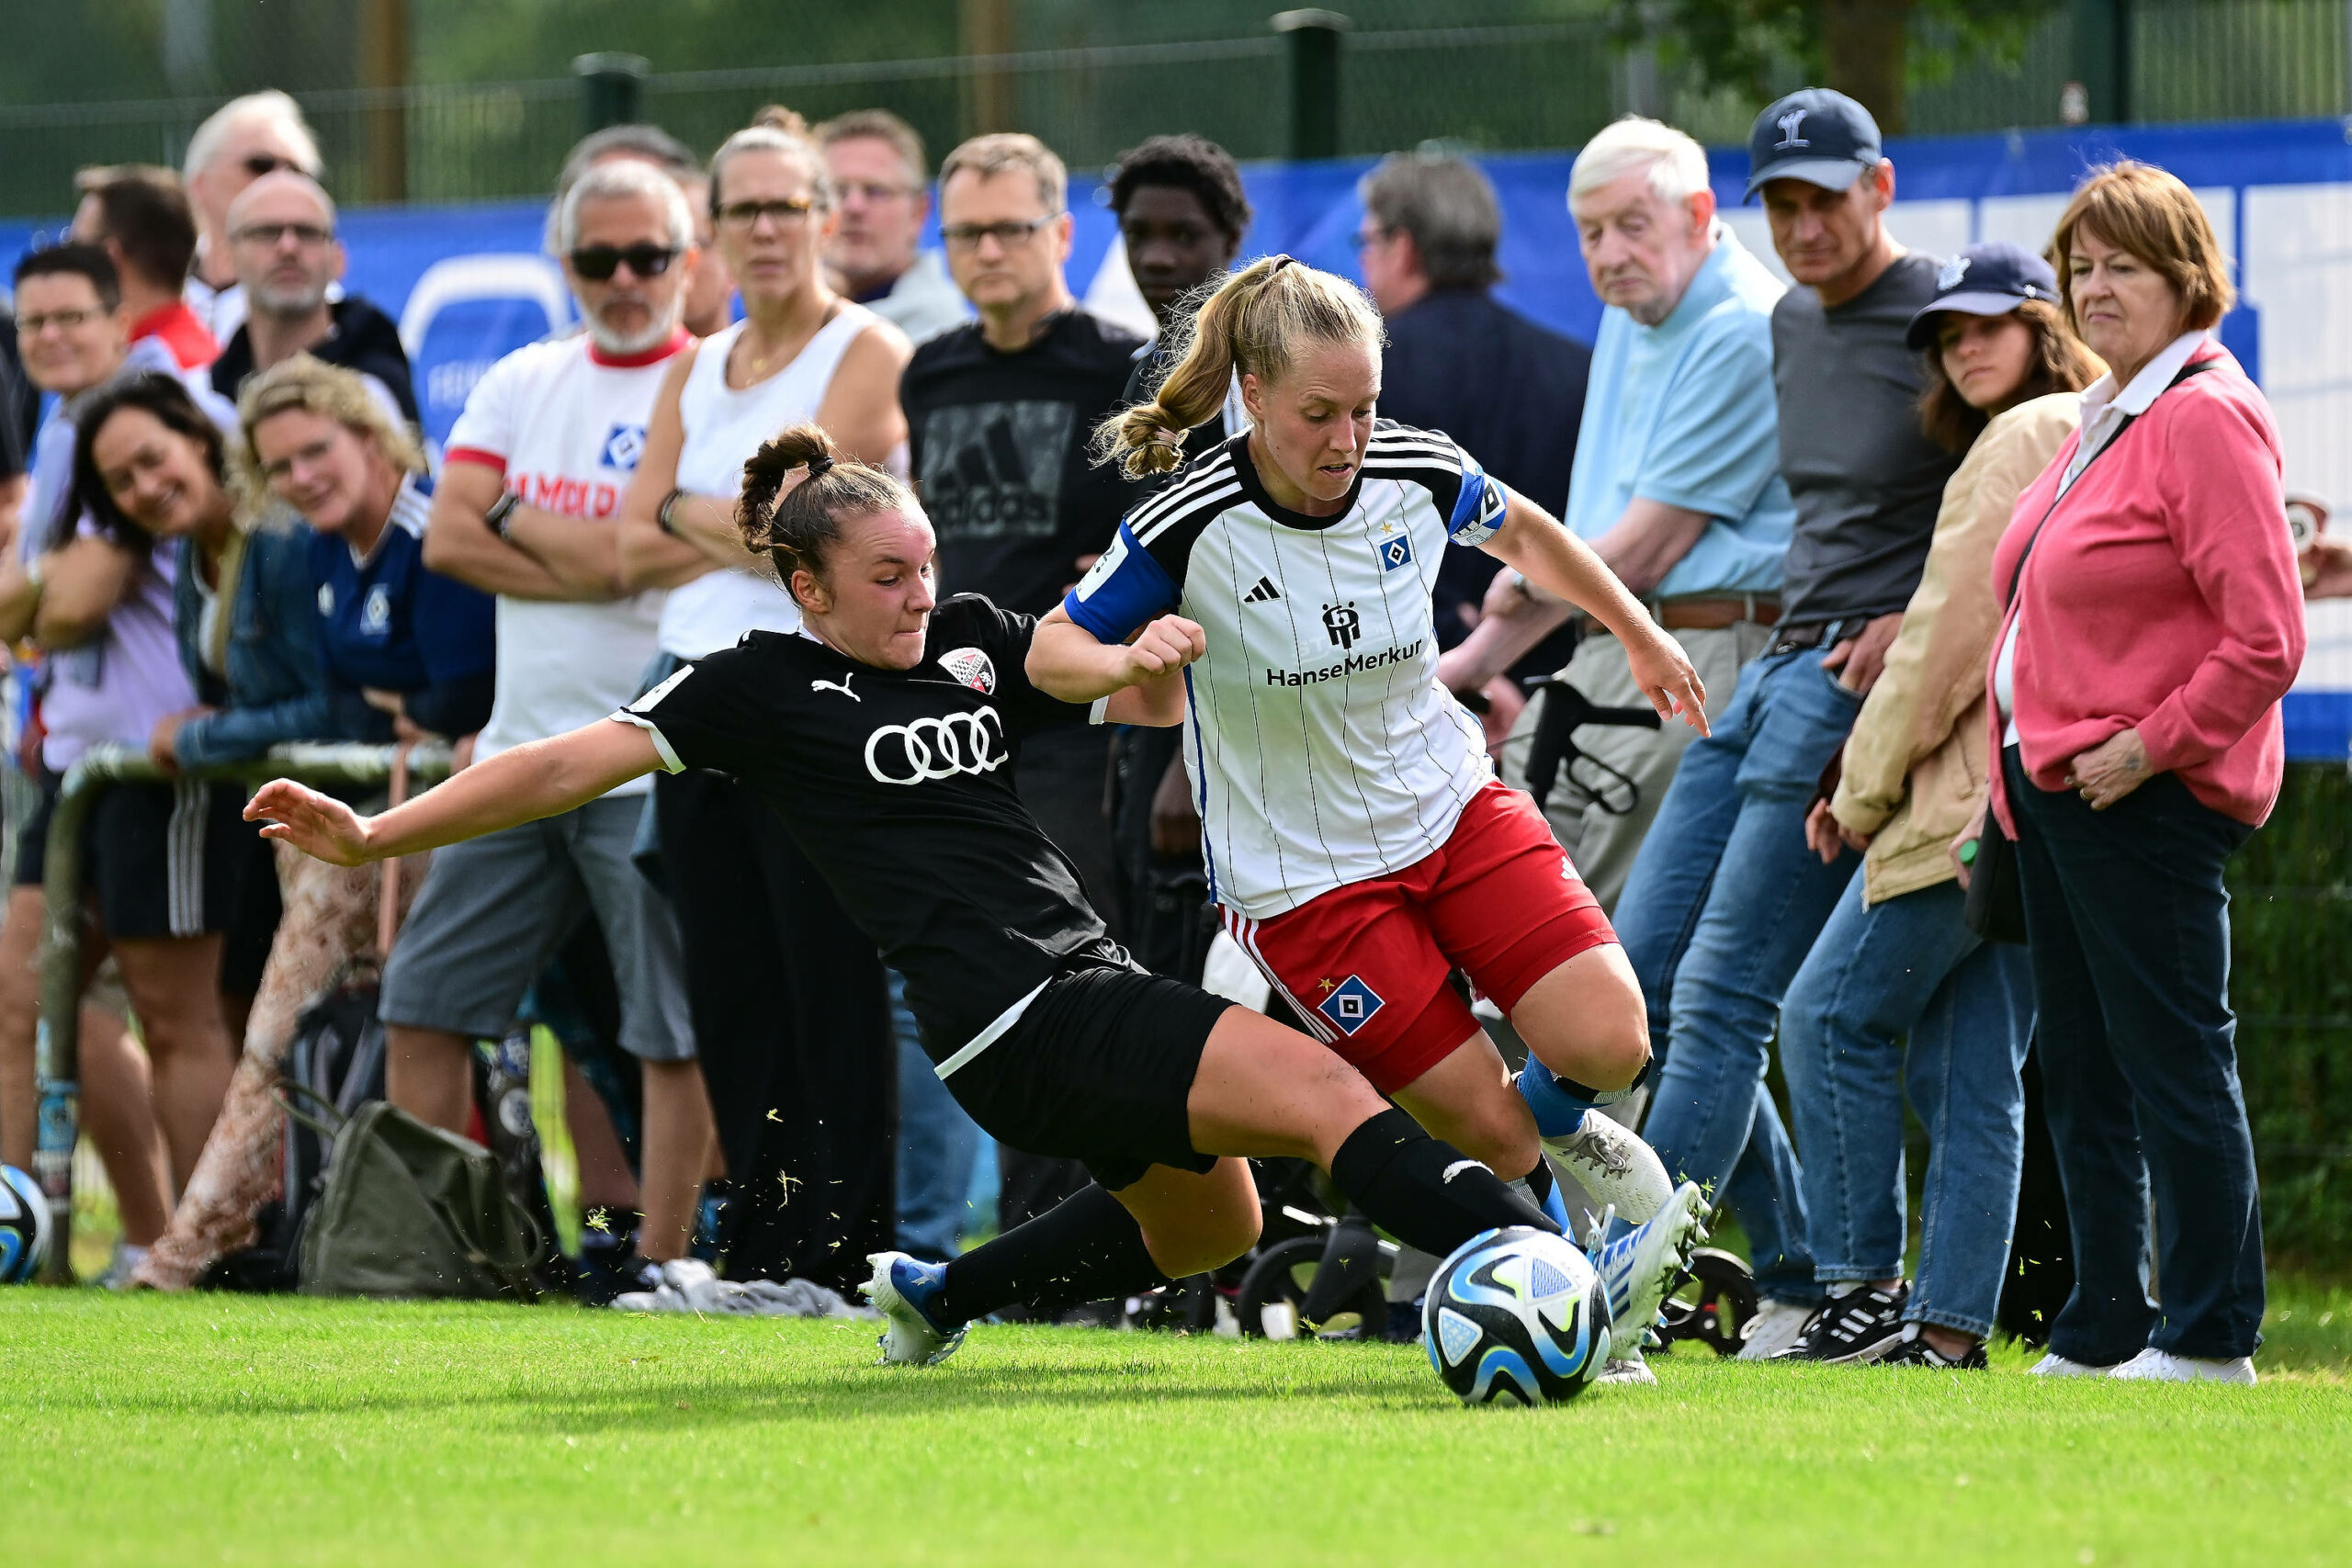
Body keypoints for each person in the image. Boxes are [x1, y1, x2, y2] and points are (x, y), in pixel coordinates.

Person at [246, 422, 1713, 1369]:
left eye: (925, 563)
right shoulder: (759, 683)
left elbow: (1070, 660)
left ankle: (934, 1298)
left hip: (1036, 1011)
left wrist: (1144, 662)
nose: (915, 591)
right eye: (884, 574)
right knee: (1336, 1097)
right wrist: (379, 835)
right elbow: (572, 759)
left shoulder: (960, 638)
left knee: (1213, 1228)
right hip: (1021, 1006)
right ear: (807, 589)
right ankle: (1541, 1271)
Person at [1035, 255, 1707, 1377]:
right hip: (1305, 883)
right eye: (1318, 414)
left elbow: (1530, 533)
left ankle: (1572, 1147)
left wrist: (1634, 628)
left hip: (1448, 806)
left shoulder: (1413, 467)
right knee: (1484, 1136)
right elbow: (1053, 647)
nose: (1348, 438)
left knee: (1611, 1038)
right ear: (1251, 393)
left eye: (1364, 408)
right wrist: (1122, 655)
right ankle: (1581, 1296)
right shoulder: (1186, 523)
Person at [1606, 89, 1962, 1359]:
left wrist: (1918, 621)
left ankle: (1619, 1296)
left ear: (1883, 183)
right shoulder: (1795, 325)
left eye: (1826, 195)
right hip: (1767, 665)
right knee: (1629, 979)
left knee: (1722, 995)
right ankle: (1800, 1268)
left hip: (1848, 687)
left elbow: (2018, 500)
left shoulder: (1949, 320)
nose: (1805, 225)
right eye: (1783, 203)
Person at [51, 362, 491, 1289]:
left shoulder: (313, 542)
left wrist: (210, 739)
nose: (299, 476)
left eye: (313, 452)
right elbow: (344, 695)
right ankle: (283, 1235)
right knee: (299, 1021)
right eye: (281, 464)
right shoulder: (273, 549)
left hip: (388, 813)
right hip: (309, 816)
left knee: (285, 1028)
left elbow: (355, 703)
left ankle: (197, 1240)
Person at [1986, 163, 2302, 1385]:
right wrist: (2006, 780)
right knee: (2081, 1065)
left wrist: (2150, 742)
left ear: (2188, 281)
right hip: (2055, 790)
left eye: (2123, 263)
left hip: (2143, 794)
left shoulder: (2203, 412)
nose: (2093, 284)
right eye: (2081, 263)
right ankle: (2105, 1322)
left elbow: (2266, 635)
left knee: (2174, 1057)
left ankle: (2213, 1333)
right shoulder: (2107, 412)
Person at [1771, 243, 2102, 1369]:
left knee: (1827, 1022)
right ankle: (1949, 1332)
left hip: (1965, 802)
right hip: (2036, 805)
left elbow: (1947, 637)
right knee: (1968, 1073)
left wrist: (1860, 790)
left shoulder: (2021, 435)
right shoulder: (2091, 427)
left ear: (2044, 329)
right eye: (1944, 334)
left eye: (1987, 325)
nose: (1962, 346)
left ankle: (1860, 1293)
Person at [398, 157, 708, 1283]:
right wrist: (614, 562)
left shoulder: (715, 383)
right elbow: (448, 542)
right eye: (597, 259)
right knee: (423, 1004)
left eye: (650, 256)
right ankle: (427, 1263)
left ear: (689, 255)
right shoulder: (524, 380)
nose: (625, 280)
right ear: (562, 262)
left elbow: (700, 554)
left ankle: (668, 1269)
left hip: (655, 759)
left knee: (669, 1033)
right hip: (522, 758)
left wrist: (529, 527)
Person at [615, 118, 911, 1292]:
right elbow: (637, 533)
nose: (767, 230)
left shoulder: (867, 348)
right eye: (743, 211)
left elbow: (831, 534)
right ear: (714, 230)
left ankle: (851, 1256)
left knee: (827, 980)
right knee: (731, 990)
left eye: (788, 207)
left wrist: (713, 519)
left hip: (811, 700)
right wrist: (756, 528)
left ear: (826, 217)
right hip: (693, 701)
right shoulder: (697, 364)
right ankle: (762, 1245)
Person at [899, 132, 1150, 1237]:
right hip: (948, 715)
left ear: (1059, 233)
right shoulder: (931, 368)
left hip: (1073, 715)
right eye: (965, 232)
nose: (987, 250)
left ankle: (1088, 1242)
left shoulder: (1121, 363)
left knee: (1070, 977)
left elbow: (1152, 538)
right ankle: (1007, 1238)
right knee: (975, 980)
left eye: (1010, 229)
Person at [1443, 116, 1792, 911]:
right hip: (1607, 650)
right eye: (1590, 233)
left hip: (1696, 657)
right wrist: (1466, 668)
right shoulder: (1635, 311)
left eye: (1631, 226)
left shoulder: (1741, 325)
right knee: (1520, 928)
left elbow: (1637, 556)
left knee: (1608, 956)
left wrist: (1514, 602)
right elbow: (1595, 571)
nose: (1607, 255)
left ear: (1699, 214)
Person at [0, 247, 160, 1250]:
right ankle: (24, 1235)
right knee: (20, 1003)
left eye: (72, 318)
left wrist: (30, 610)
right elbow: (38, 604)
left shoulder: (134, 415)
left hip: (151, 759)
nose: (52, 337)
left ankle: (191, 1243)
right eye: (33, 324)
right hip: (67, 755)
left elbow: (72, 604)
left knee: (168, 1016)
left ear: (118, 322)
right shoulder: (58, 425)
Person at [1102, 133, 1254, 991]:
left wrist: (1179, 763)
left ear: (1230, 242)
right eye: (1139, 234)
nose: (1159, 256)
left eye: (1184, 235)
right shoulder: (1148, 372)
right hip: (1146, 723)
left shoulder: (1253, 377)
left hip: (1221, 741)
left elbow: (1235, 571)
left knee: (1209, 991)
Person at [1354, 152, 1591, 678]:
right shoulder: (1577, 368)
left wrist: (1465, 651)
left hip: (1411, 677)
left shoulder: (1362, 376)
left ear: (1405, 247)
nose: (1363, 263)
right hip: (1558, 674)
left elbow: (1355, 533)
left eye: (1366, 241)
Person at [207, 172, 417, 423]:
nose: (288, 247)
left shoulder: (377, 391)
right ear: (226, 258)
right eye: (267, 232)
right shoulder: (205, 398)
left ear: (338, 260)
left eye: (307, 232)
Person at [180, 91, 326, 345]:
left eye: (296, 171)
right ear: (200, 183)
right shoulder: (162, 287)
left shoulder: (317, 301)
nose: (280, 181)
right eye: (260, 165)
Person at [817, 109, 968, 346]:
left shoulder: (940, 339)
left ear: (918, 213)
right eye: (837, 191)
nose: (853, 207)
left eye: (875, 191)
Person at [73, 167, 219, 374]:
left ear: (110, 257)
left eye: (76, 247)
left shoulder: (154, 374)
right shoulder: (198, 357)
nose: (71, 263)